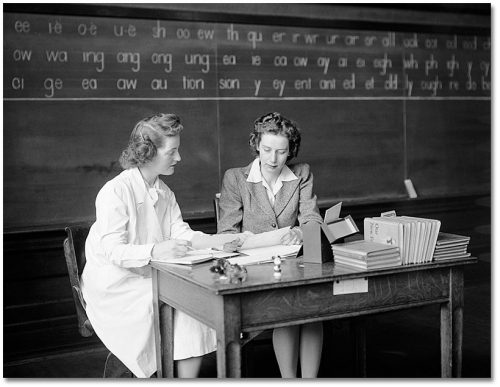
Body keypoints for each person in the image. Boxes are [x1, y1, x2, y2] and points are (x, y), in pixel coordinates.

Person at [81, 113, 247, 378]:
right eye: (173, 151)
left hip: (149, 275)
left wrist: (215, 243)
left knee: (191, 300)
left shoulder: (164, 192)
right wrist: (156, 250)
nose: (179, 158)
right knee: (182, 302)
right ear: (148, 152)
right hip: (115, 284)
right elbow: (113, 251)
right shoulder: (115, 192)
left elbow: (181, 232)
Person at [217, 112, 324, 378]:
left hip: (294, 262)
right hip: (254, 268)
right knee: (289, 308)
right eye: (266, 150)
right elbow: (226, 232)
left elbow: (312, 218)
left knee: (313, 310)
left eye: (281, 152)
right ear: (256, 144)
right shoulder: (236, 178)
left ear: (291, 151)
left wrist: (300, 230)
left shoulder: (302, 174)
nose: (273, 159)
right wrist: (244, 240)